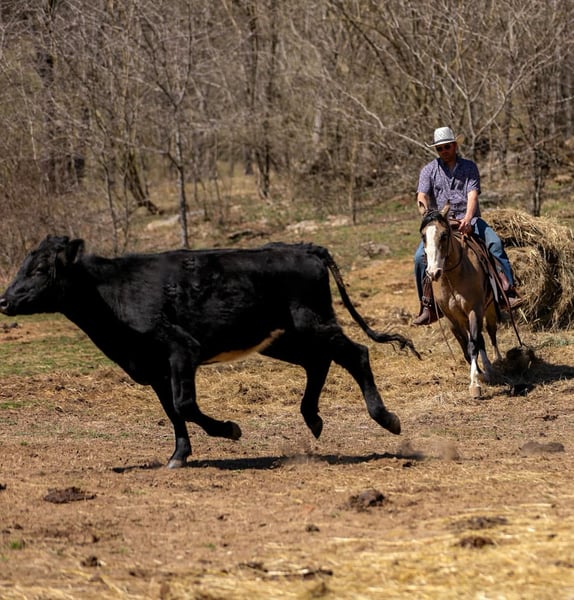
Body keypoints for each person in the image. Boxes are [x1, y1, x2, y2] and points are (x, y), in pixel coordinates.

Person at [412, 126, 521, 326]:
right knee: (419, 258)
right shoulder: (428, 170)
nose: (444, 151)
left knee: (495, 244)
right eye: (439, 148)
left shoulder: (469, 167)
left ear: (455, 146)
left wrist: (468, 219)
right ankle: (427, 306)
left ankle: (507, 292)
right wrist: (426, 212)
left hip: (469, 219)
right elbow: (422, 195)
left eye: (447, 146)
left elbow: (472, 195)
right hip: (440, 224)